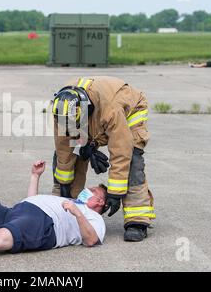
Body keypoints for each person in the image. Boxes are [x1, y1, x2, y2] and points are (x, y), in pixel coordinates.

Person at [51, 77, 155, 242]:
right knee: (74, 155)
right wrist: (64, 184)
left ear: (86, 109)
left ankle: (137, 220)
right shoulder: (63, 109)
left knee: (132, 163)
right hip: (93, 118)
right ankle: (65, 208)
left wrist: (115, 193)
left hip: (128, 114)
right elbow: (64, 148)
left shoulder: (110, 108)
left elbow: (121, 152)